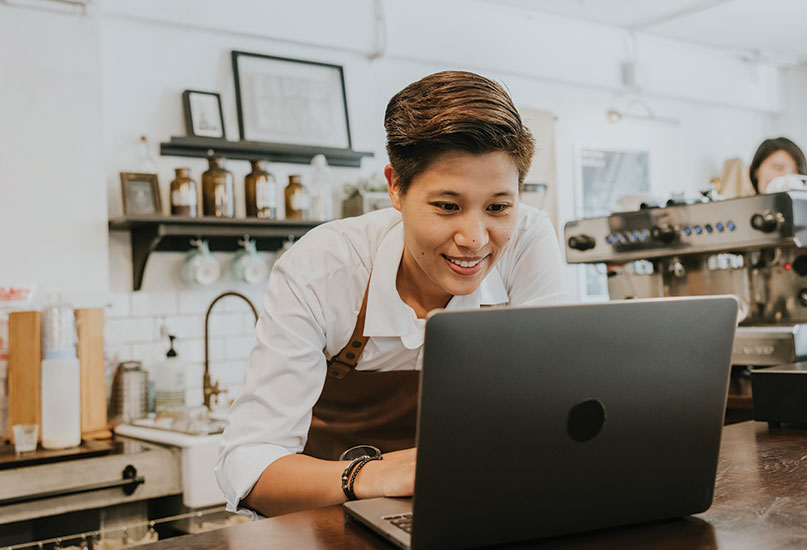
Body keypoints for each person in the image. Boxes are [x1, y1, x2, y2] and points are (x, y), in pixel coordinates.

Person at [215, 71, 565, 516]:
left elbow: (549, 408)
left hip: (466, 515)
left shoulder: (528, 240)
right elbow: (248, 466)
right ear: (396, 188)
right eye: (447, 206)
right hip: (323, 525)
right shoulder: (324, 267)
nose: (475, 238)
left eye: (498, 206)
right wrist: (371, 475)